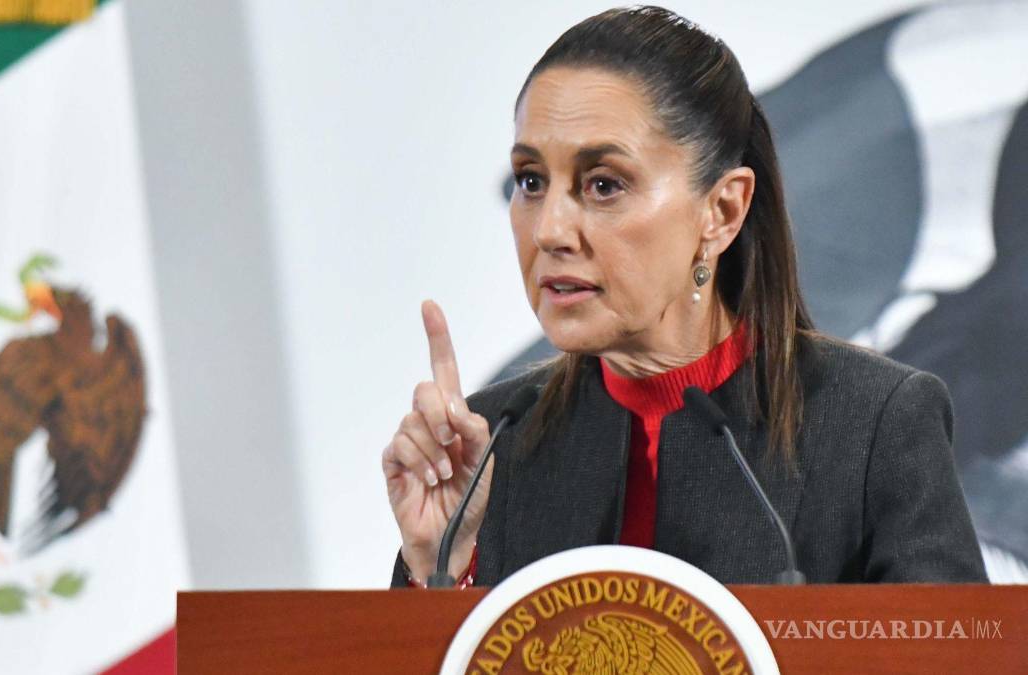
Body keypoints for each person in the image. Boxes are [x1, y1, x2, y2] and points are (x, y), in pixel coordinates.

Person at [381, 6, 987, 587]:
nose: (549, 231)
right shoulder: (489, 448)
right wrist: (440, 566)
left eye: (603, 184)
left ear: (721, 211)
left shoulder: (875, 424)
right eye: (532, 181)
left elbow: (953, 645)